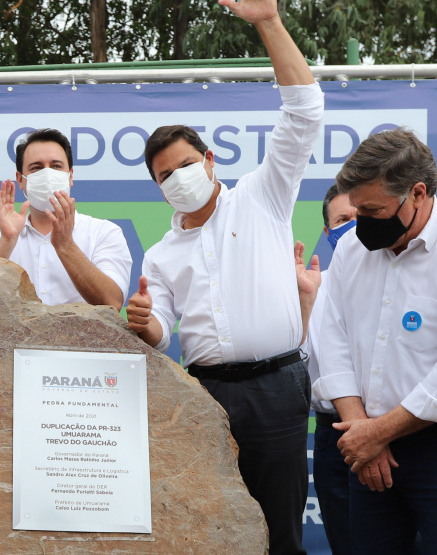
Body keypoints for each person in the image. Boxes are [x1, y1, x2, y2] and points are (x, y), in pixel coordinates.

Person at [126, 1, 324, 552]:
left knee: (282, 533)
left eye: (187, 164)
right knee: (213, 531)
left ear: (210, 160)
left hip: (277, 387)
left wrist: (268, 22)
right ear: (158, 187)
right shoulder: (161, 254)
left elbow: (305, 112)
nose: (179, 178)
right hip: (205, 392)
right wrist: (145, 325)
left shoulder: (264, 196)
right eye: (166, 175)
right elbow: (164, 332)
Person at [312, 129, 437, 553]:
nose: (361, 223)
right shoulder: (352, 249)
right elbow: (331, 339)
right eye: (356, 210)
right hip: (364, 448)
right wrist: (362, 432)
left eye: (373, 211)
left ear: (418, 194)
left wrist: (377, 432)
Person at [0, 128, 132, 310]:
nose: (47, 175)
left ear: (70, 176)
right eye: (36, 168)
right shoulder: (3, 239)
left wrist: (65, 245)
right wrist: (7, 241)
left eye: (56, 166)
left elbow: (112, 302)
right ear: (20, 180)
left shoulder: (104, 233)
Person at [298, 183, 356, 555]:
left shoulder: (408, 276)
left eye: (361, 216)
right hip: (335, 435)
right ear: (327, 231)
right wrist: (304, 305)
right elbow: (299, 369)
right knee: (348, 541)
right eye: (342, 220)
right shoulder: (315, 287)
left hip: (404, 429)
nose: (353, 226)